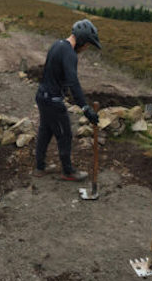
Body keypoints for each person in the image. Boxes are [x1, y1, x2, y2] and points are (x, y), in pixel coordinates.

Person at [34, 19, 102, 181]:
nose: (85, 49)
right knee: (65, 135)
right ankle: (68, 171)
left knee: (45, 131)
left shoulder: (57, 45)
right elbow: (73, 82)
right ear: (82, 40)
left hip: (42, 96)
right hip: (52, 101)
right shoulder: (70, 54)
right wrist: (85, 108)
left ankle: (40, 167)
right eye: (87, 45)